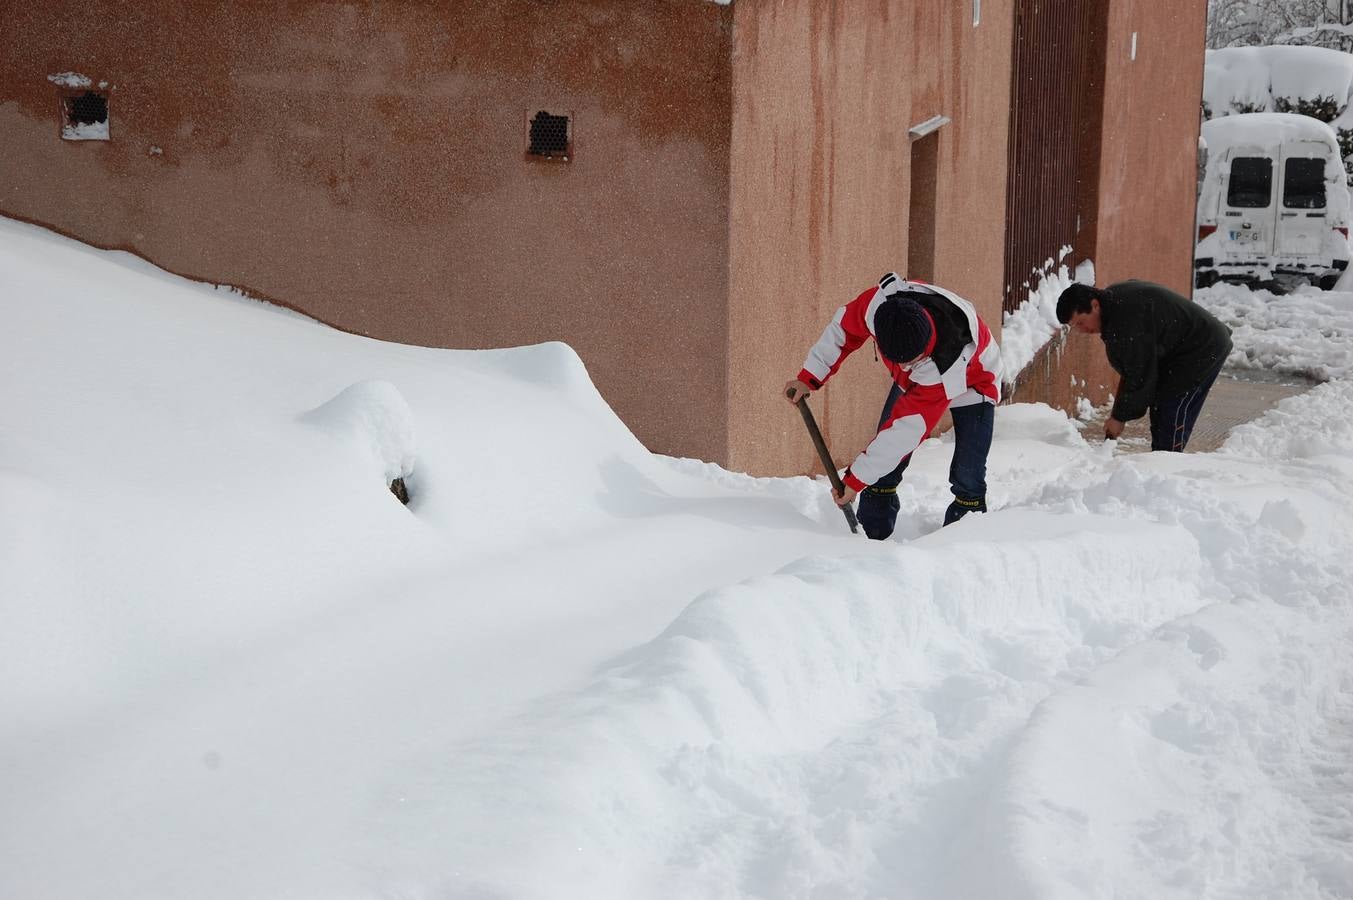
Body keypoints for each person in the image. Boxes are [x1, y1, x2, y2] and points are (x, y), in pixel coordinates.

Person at [784, 272, 1002, 540]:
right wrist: (809, 377)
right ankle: (870, 539)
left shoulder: (943, 365)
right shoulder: (879, 307)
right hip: (918, 380)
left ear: (924, 350)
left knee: (968, 474)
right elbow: (841, 332)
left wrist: (854, 480)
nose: (901, 367)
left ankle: (963, 545)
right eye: (897, 361)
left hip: (976, 380)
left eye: (910, 361)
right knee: (884, 472)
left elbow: (903, 434)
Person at [1055, 281, 1232, 451]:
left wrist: (1119, 417)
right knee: (1160, 405)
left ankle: (1167, 463)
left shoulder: (1124, 322)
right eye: (1075, 327)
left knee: (1171, 406)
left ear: (1094, 305)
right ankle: (1161, 459)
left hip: (1202, 347)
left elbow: (1140, 375)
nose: (1081, 330)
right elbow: (1133, 368)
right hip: (1181, 348)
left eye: (1080, 322)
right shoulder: (1113, 304)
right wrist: (1119, 414)